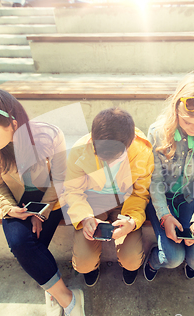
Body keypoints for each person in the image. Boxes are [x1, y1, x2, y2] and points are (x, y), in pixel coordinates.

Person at [0, 87, 88, 316]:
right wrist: (10, 209)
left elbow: (60, 179)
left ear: (13, 124)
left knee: (33, 245)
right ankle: (67, 298)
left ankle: (52, 290)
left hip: (53, 199)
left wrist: (41, 212)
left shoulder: (50, 135)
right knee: (20, 243)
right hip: (18, 204)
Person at [143, 73, 194, 281]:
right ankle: (154, 260)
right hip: (161, 199)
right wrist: (165, 215)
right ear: (176, 108)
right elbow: (156, 181)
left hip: (190, 198)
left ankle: (192, 261)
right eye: (188, 123)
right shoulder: (157, 132)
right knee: (172, 258)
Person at [63, 107, 154, 287]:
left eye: (116, 158)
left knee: (132, 260)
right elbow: (72, 191)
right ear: (92, 139)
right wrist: (85, 217)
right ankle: (92, 267)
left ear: (131, 142)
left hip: (126, 203)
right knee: (83, 264)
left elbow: (140, 193)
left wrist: (132, 221)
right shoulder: (80, 150)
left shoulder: (143, 152)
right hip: (93, 203)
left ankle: (130, 266)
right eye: (101, 157)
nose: (108, 163)